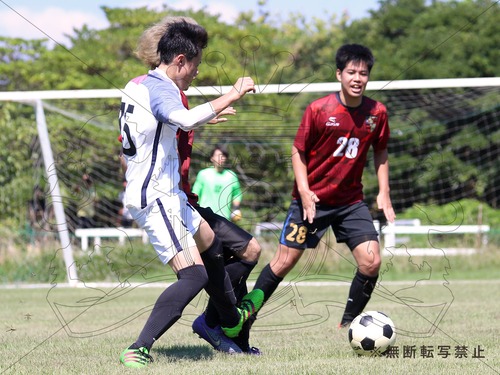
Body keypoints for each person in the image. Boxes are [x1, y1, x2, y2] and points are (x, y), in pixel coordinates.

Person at [118, 20, 263, 368]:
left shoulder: (139, 84)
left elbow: (171, 122)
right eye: (196, 65)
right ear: (180, 60)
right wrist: (233, 92)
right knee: (195, 275)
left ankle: (228, 318)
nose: (197, 72)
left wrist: (197, 119)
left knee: (212, 242)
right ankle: (138, 347)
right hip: (156, 197)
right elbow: (181, 118)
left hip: (171, 196)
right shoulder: (161, 88)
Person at [250, 44, 396, 330]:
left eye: (363, 74)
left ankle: (349, 325)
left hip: (351, 202)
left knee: (371, 261)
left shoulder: (376, 113)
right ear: (339, 74)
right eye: (351, 72)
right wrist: (304, 192)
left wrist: (384, 192)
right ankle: (244, 316)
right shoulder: (319, 109)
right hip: (312, 201)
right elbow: (297, 151)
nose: (357, 78)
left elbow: (381, 151)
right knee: (283, 263)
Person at [192, 145, 243, 222]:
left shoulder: (231, 176)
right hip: (204, 218)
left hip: (224, 219)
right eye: (217, 155)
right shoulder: (203, 174)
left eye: (223, 156)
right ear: (211, 158)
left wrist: (236, 209)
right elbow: (195, 195)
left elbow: (237, 194)